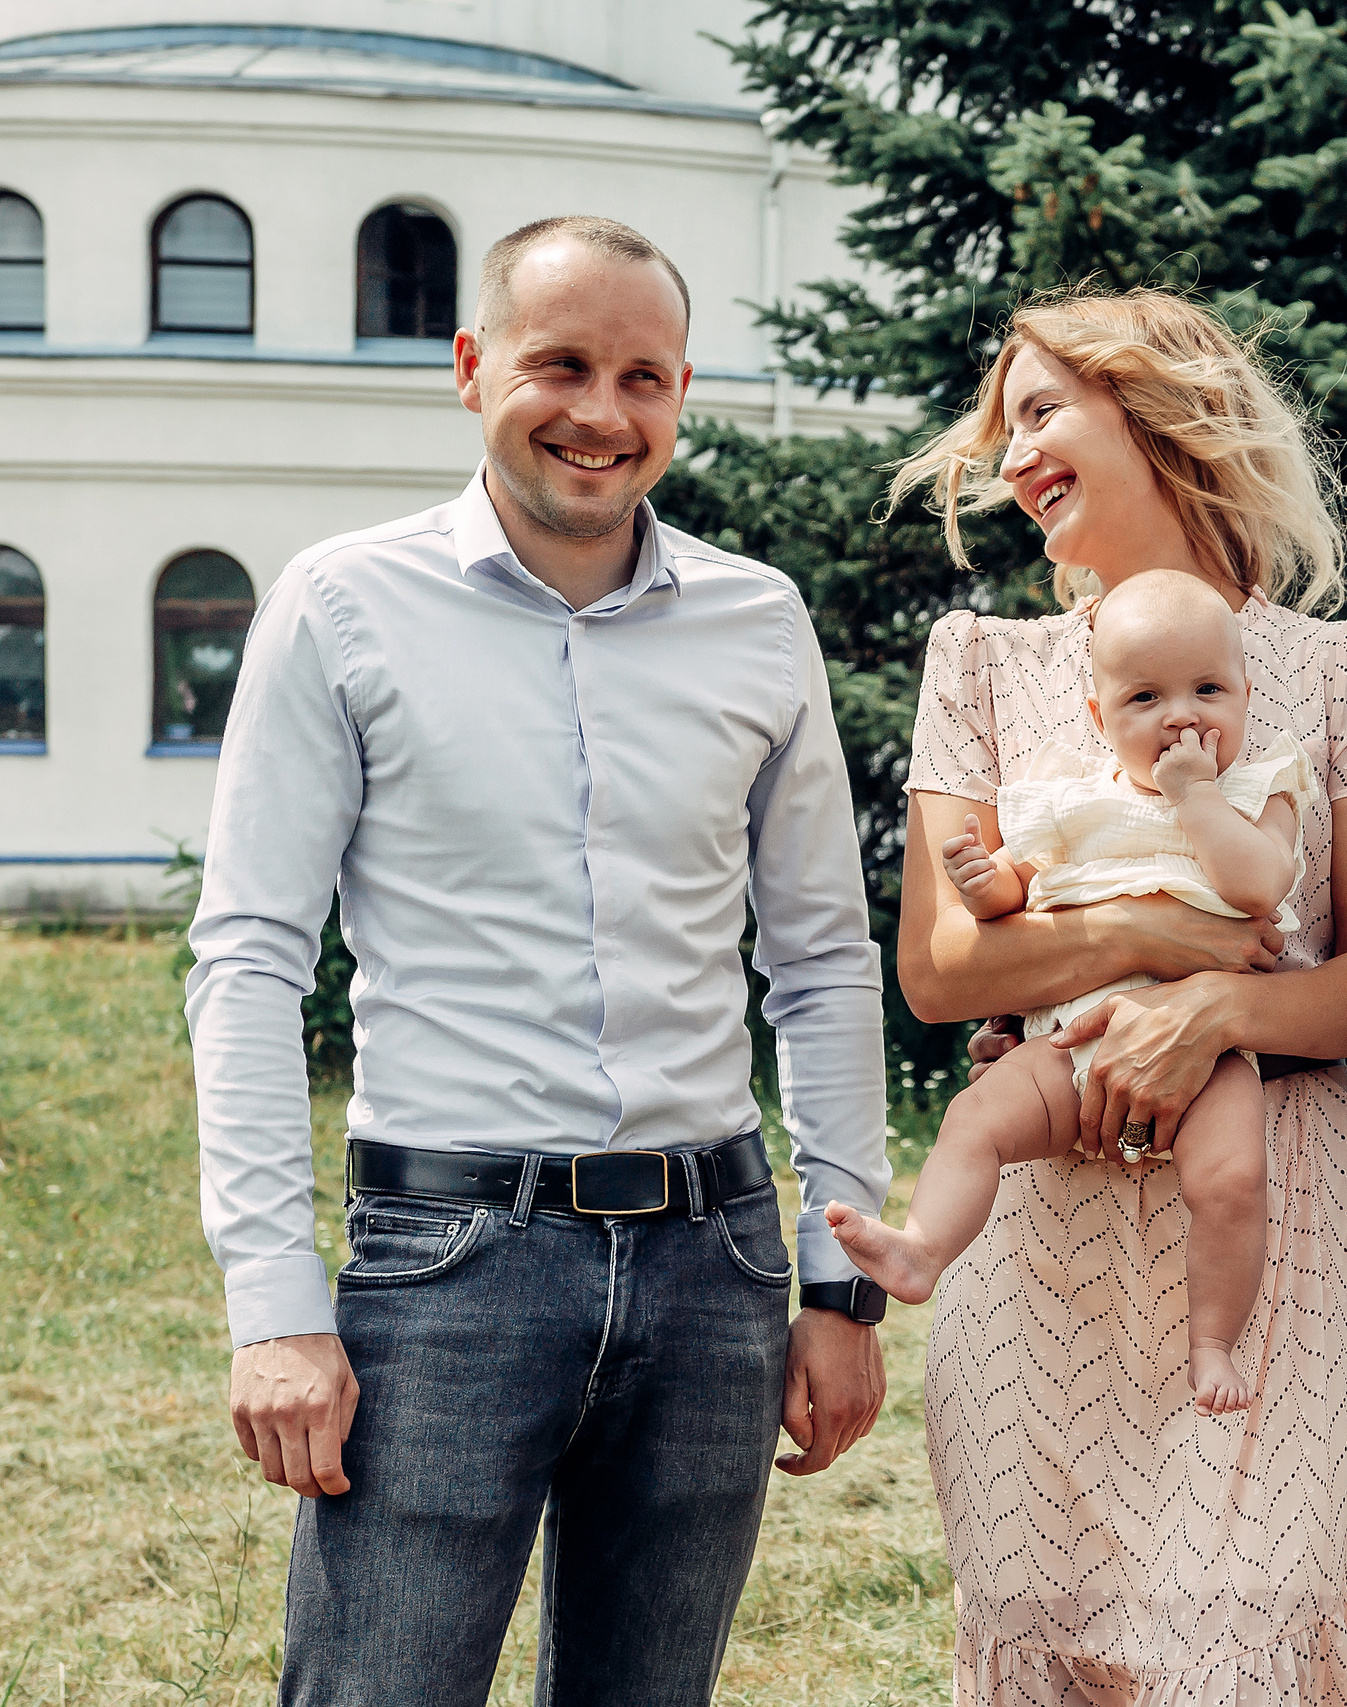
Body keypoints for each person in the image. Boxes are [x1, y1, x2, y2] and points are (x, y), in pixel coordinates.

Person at [189, 216, 892, 1705]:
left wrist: (838, 1277)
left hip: (715, 1264)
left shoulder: (758, 622)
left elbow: (824, 958)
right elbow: (249, 956)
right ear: (471, 367)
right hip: (449, 1264)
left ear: (681, 394)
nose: (601, 412)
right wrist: (273, 1302)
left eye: (644, 377)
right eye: (561, 363)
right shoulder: (342, 602)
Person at [889, 287, 1347, 1700]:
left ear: (1155, 405)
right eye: (1005, 428)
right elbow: (941, 971)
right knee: (1061, 1655)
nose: (1013, 457)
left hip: (1275, 1201)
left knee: (1238, 1648)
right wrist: (1161, 936)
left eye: (1043, 410)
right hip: (1039, 1222)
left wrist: (1220, 1013)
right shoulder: (982, 663)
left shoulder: (1334, 663)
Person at [829, 570, 1315, 1414]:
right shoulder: (1073, 797)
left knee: (1233, 1182)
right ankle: (920, 1247)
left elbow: (1258, 888)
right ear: (1100, 719)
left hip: (1207, 1053)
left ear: (1245, 693)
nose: (1180, 715)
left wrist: (1194, 794)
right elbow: (1022, 890)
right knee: (973, 1122)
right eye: (1144, 697)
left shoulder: (1255, 790)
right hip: (1065, 1039)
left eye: (1207, 689)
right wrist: (986, 883)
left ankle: (1211, 1342)